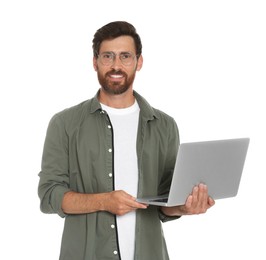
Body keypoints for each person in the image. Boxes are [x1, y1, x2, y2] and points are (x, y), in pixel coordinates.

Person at [38, 21, 215, 260]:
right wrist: (104, 201)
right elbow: (49, 196)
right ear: (95, 62)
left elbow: (164, 203)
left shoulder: (164, 125)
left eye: (125, 56)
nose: (116, 65)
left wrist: (185, 206)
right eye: (107, 56)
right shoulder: (65, 124)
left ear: (139, 62)